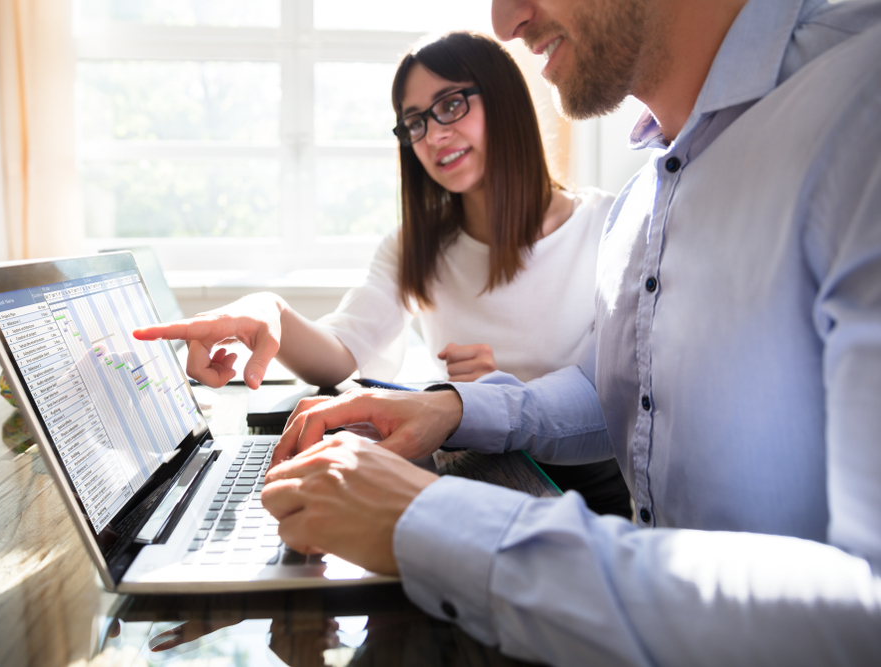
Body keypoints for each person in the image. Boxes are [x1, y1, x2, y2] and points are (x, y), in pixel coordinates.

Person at [256, 0, 881, 664]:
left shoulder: (858, 107)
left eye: (450, 105)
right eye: (415, 121)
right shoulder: (648, 196)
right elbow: (606, 386)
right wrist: (450, 407)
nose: (504, 21)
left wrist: (432, 523)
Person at [135, 32, 631, 518]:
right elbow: (338, 355)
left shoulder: (611, 226)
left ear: (506, 101)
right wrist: (270, 311)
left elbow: (621, 398)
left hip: (586, 491)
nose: (434, 135)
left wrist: (495, 394)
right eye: (413, 122)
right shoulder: (413, 246)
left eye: (451, 105)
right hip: (477, 479)